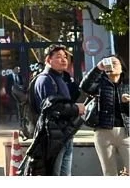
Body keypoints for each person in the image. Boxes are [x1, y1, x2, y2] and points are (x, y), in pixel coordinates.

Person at [30, 45, 85, 175]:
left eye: (65, 56)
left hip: (64, 134)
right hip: (53, 137)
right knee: (55, 173)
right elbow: (51, 108)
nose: (64, 59)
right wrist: (76, 109)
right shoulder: (45, 79)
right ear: (48, 60)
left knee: (65, 174)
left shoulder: (60, 78)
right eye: (59, 57)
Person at [80, 56, 130, 176]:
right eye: (108, 63)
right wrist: (98, 68)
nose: (111, 65)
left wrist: (127, 103)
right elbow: (85, 86)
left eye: (114, 62)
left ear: (122, 68)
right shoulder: (100, 84)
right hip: (103, 132)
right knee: (109, 172)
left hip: (126, 133)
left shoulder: (128, 84)